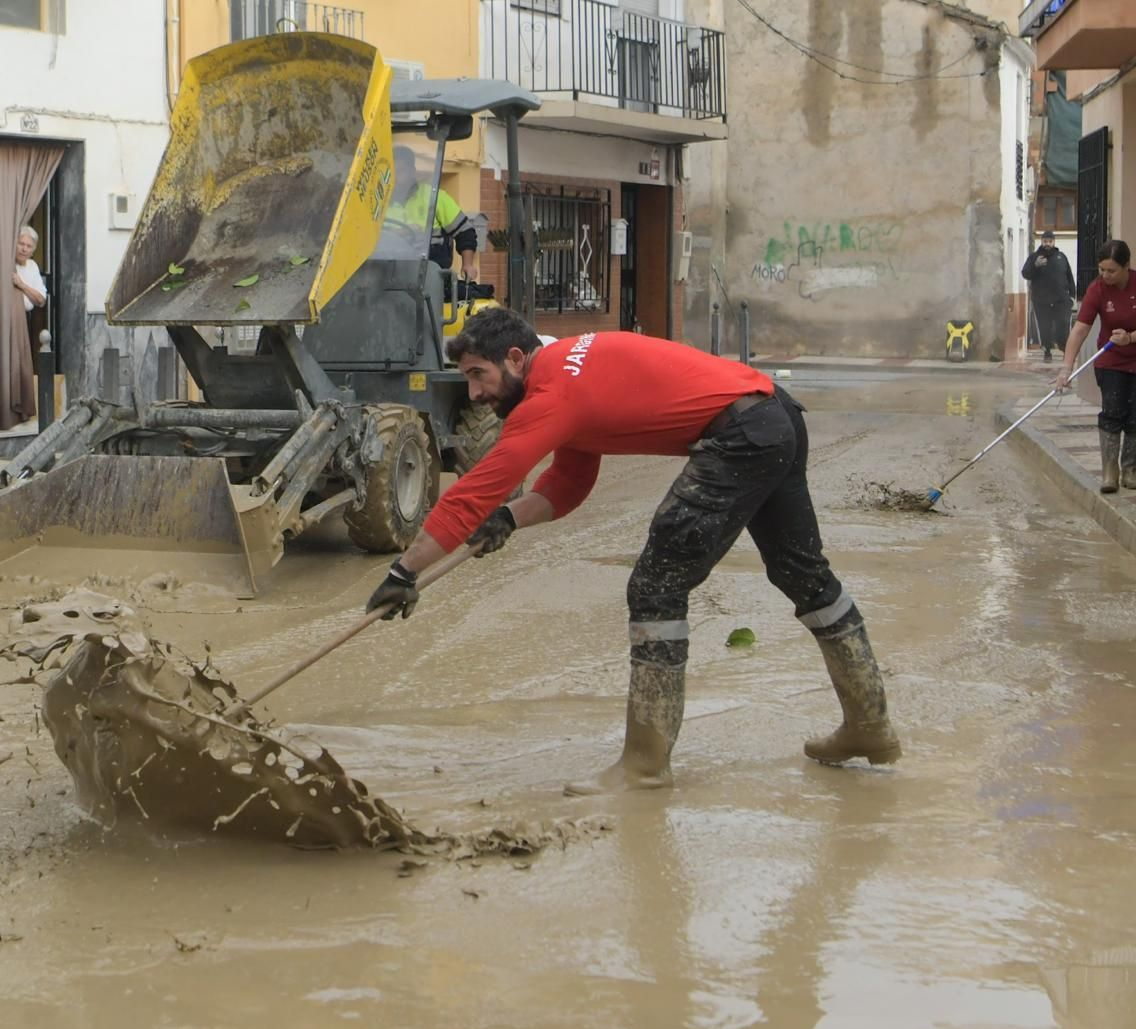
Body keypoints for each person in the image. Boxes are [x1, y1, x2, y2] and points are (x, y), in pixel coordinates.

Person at [365, 309, 900, 791]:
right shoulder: (567, 372)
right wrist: (508, 519)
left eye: (478, 375)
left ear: (514, 358)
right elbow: (569, 483)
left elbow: (471, 492)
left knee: (656, 586)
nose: (475, 394)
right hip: (772, 412)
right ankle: (869, 726)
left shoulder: (553, 393)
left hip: (742, 431)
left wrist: (404, 571)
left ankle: (644, 766)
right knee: (801, 573)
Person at [1055, 239, 1136, 492]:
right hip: (1110, 359)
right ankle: (1110, 473)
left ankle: (1131, 471)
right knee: (1113, 412)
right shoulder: (1098, 289)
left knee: (1135, 417)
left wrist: (1131, 338)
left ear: (1126, 267)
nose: (1105, 275)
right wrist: (1066, 368)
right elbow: (1080, 330)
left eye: (1111, 270)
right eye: (1102, 269)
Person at [386, 145, 479, 281]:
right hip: (388, 275)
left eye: (400, 171)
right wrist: (398, 234)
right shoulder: (378, 204)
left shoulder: (434, 197)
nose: (395, 178)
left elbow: (465, 232)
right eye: (391, 172)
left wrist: (468, 265)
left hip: (430, 275)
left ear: (412, 171)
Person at [8, 226, 48, 425]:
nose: (24, 249)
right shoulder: (6, 264)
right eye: (21, 244)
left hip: (26, 321)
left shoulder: (31, 266)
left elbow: (41, 299)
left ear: (33, 250)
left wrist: (21, 285)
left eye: (28, 246)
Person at [1022, 231, 1076, 363]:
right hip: (1041, 300)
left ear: (1054, 242)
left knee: (1062, 326)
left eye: (1050, 241)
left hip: (1061, 300)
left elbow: (1069, 276)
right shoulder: (1034, 257)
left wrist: (1072, 296)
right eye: (1045, 241)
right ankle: (1047, 351)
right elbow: (1025, 274)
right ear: (1042, 241)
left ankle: (1065, 350)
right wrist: (1035, 266)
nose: (1047, 244)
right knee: (1044, 327)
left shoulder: (1061, 257)